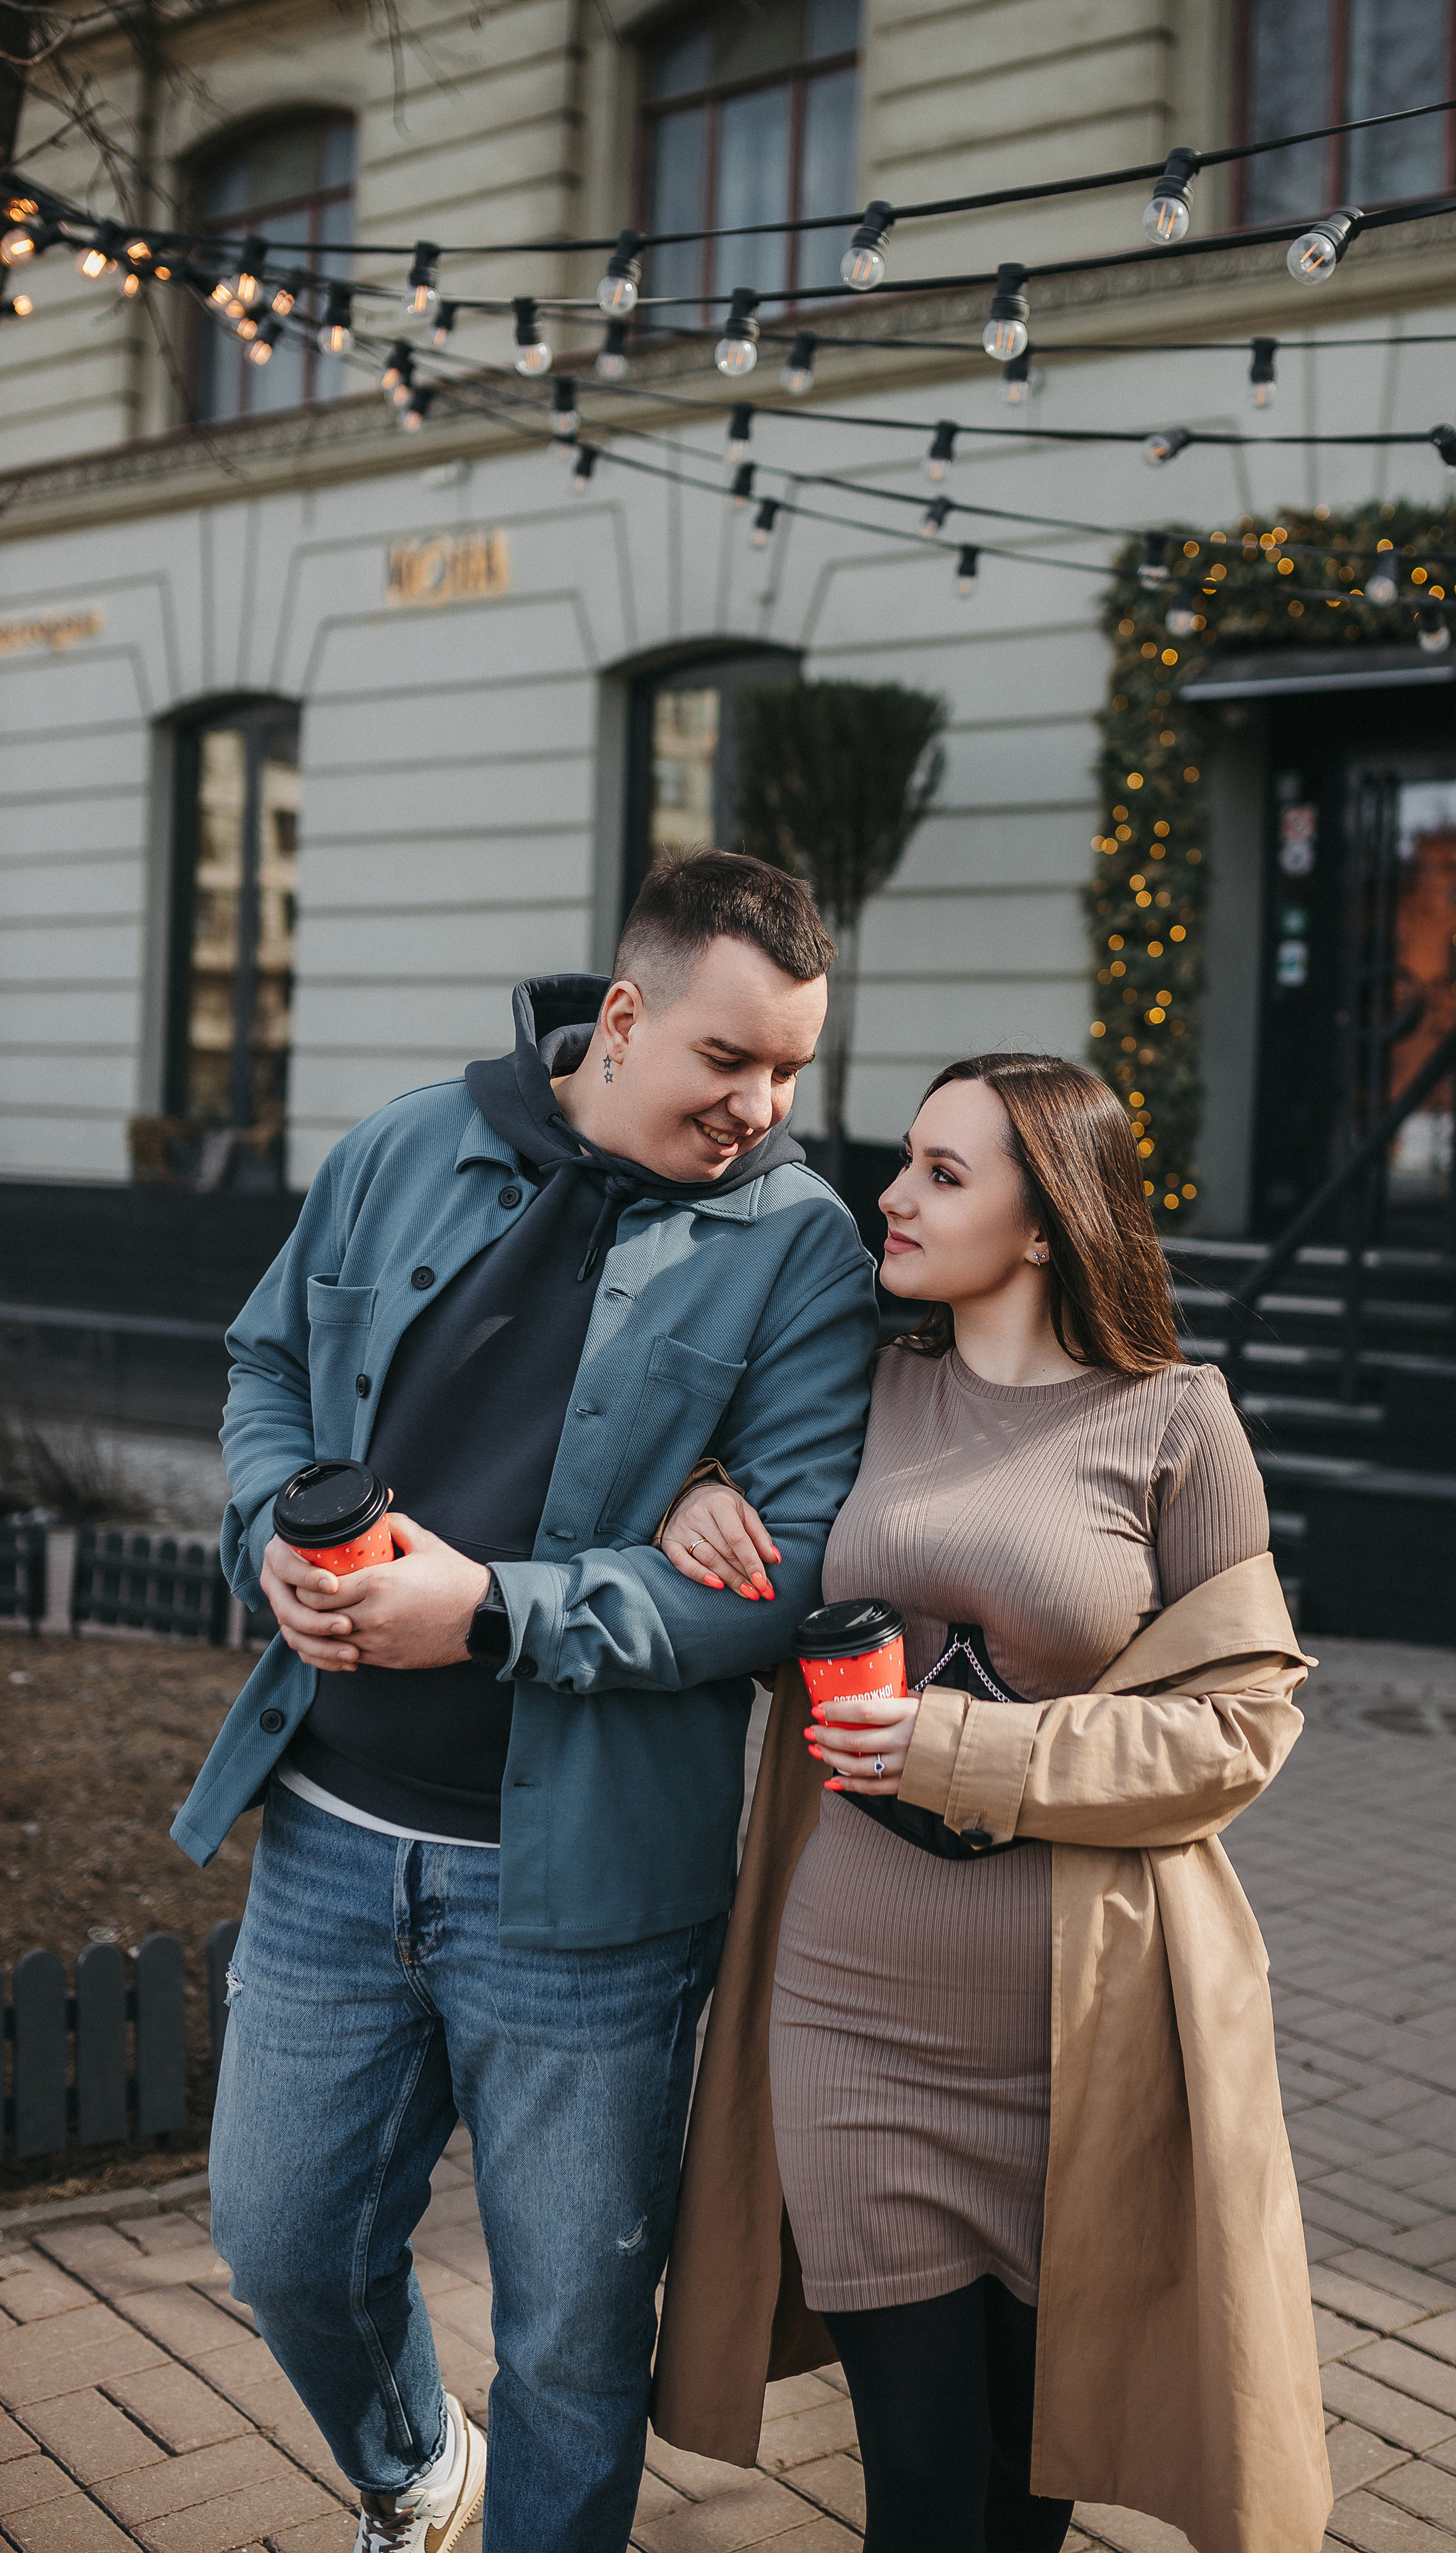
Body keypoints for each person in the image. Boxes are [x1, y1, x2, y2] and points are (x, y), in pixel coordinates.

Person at [170, 850, 877, 2553]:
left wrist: (488, 1614)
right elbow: (265, 1364)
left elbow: (776, 1582)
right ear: (622, 1019)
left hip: (588, 1902)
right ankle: (418, 2469)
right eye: (729, 1061)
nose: (760, 1106)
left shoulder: (800, 1248)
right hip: (331, 1837)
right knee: (277, 2238)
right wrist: (269, 1525)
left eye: (791, 1070)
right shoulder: (408, 1144)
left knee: (568, 2338)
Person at [648, 1052, 1332, 2553]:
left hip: (1073, 2053)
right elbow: (685, 1441)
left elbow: (1241, 1728)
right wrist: (689, 1485)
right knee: (915, 2489)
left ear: (1045, 1223)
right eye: (905, 1161)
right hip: (849, 2019)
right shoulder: (863, 1380)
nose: (892, 1196)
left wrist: (970, 1756)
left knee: (1021, 2496)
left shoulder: (1174, 1423)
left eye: (944, 1176)